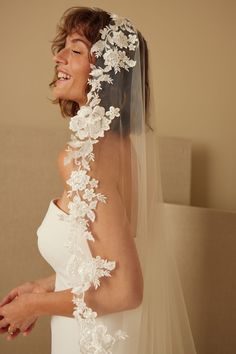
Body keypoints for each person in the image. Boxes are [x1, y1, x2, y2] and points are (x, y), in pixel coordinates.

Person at [0, 6, 197, 354]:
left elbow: (125, 290)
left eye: (75, 50)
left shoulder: (83, 161)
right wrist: (43, 287)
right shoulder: (123, 150)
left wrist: (33, 307)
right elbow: (100, 259)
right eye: (62, 46)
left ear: (105, 72)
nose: (58, 56)